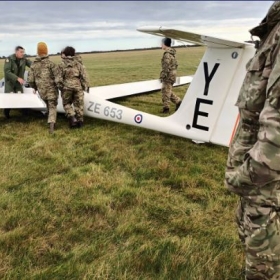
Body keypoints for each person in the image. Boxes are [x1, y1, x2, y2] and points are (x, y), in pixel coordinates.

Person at [225, 2, 280, 279]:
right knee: (253, 236)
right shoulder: (274, 29)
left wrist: (244, 175)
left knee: (264, 258)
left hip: (262, 177)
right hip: (255, 174)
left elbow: (277, 132)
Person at [27, 42, 59, 134]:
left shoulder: (33, 65)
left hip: (41, 90)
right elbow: (57, 77)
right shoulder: (51, 64)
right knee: (52, 105)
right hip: (51, 89)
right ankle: (52, 123)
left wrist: (35, 87)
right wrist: (59, 86)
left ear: (38, 51)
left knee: (48, 104)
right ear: (46, 51)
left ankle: (50, 119)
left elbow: (31, 79)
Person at [57, 46, 88, 128]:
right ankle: (80, 122)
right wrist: (85, 87)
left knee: (66, 103)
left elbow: (58, 79)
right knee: (79, 105)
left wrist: (61, 88)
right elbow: (84, 77)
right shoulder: (78, 64)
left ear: (65, 54)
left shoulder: (61, 64)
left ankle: (73, 118)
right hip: (78, 87)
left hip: (67, 87)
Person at [3, 46, 32, 118]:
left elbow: (32, 65)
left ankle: (25, 114)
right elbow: (7, 72)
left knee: (21, 96)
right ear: (16, 52)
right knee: (10, 98)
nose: (23, 53)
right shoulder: (9, 59)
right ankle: (6, 113)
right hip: (10, 82)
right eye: (21, 52)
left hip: (19, 83)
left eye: (23, 52)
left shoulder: (24, 59)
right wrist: (17, 78)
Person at [160, 37, 181, 114]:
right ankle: (178, 102)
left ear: (164, 44)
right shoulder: (172, 53)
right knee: (167, 90)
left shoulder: (167, 54)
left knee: (165, 92)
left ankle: (166, 109)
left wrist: (162, 76)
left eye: (162, 44)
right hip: (173, 75)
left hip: (168, 76)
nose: (161, 45)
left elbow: (166, 67)